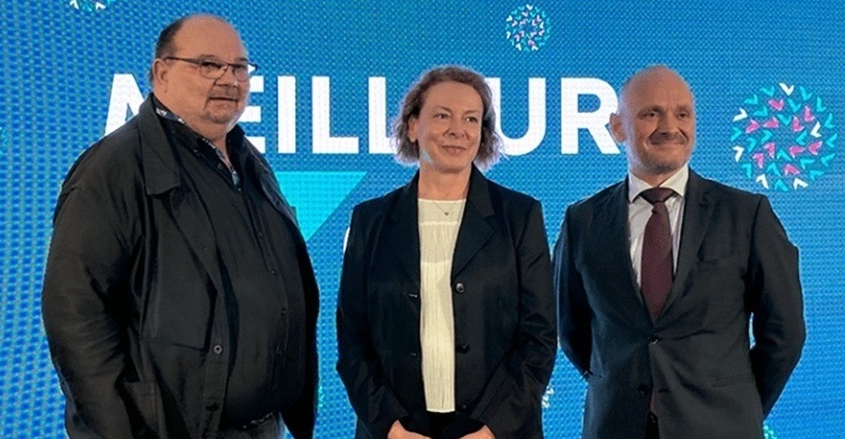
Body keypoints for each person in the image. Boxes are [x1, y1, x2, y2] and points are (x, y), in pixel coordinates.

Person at [41, 14, 318, 439]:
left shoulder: (249, 161)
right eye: (208, 65)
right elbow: (76, 310)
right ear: (160, 74)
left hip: (263, 427)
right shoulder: (114, 167)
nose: (229, 79)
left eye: (240, 67)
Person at [553, 65, 806, 439]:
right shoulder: (583, 221)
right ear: (618, 127)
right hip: (615, 427)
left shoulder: (747, 215)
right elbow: (572, 330)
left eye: (682, 114)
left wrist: (739, 403)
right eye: (650, 113)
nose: (670, 126)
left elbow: (785, 334)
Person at [336, 65, 557, 439]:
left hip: (494, 431)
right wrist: (390, 427)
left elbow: (539, 337)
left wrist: (492, 429)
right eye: (442, 116)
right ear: (412, 126)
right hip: (397, 432)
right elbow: (353, 339)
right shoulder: (370, 221)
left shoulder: (520, 216)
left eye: (471, 119)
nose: (458, 129)